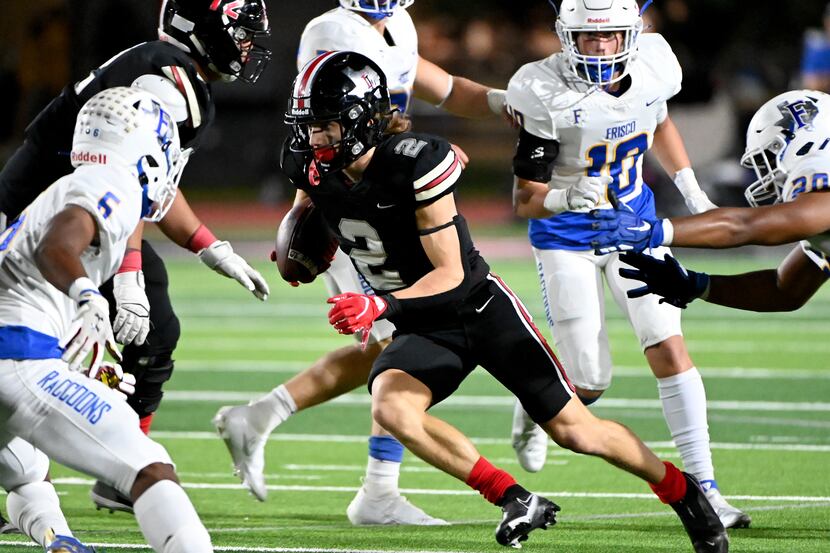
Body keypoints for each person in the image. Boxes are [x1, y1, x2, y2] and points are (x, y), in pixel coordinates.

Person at [277, 50, 727, 552]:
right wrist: (297, 253)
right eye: (309, 125)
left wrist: (379, 306)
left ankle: (682, 490)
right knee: (393, 408)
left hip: (476, 308)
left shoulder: (414, 162)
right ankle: (515, 499)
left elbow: (449, 273)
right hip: (422, 325)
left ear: (362, 119)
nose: (314, 138)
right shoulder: (308, 164)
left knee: (577, 431)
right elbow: (307, 217)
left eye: (327, 126)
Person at [212, 0, 506, 526]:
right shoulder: (333, 29)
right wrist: (426, 153)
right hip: (355, 201)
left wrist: (513, 102)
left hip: (380, 195)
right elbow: (338, 130)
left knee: (390, 344)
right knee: (402, 338)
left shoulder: (395, 25)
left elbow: (445, 87)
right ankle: (374, 491)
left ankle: (264, 418)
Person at [0, 0, 271, 518]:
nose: (247, 45)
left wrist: (211, 247)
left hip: (66, 214)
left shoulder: (175, 73)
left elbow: (153, 186)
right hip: (48, 223)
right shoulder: (166, 81)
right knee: (120, 328)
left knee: (137, 326)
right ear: (201, 29)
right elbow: (123, 181)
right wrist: (129, 277)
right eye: (239, 32)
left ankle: (108, 469)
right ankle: (121, 469)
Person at [503, 0, 750, 529]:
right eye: (588, 38)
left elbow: (657, 122)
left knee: (667, 344)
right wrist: (562, 199)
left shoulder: (655, 64)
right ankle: (534, 404)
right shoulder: (541, 89)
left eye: (611, 36)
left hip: (633, 224)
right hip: (565, 237)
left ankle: (705, 487)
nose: (599, 47)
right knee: (590, 380)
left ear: (632, 34)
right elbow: (524, 198)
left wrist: (691, 190)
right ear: (565, 36)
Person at [0, 86, 213, 552]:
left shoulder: (66, 185)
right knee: (149, 468)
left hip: (17, 354)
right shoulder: (108, 183)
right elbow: (55, 247)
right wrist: (88, 299)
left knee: (28, 475)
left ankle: (58, 540)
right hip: (15, 358)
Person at [590, 89, 830, 314]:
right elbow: (783, 289)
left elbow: (744, 226)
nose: (767, 180)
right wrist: (697, 285)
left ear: (805, 142)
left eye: (769, 155)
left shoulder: (820, 173)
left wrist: (652, 230)